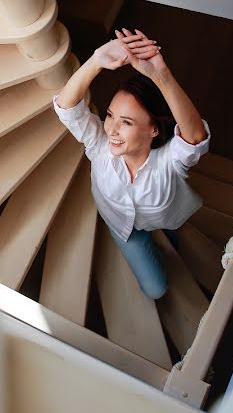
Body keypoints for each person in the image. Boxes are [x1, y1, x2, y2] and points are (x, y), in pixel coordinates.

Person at [53, 29, 209, 299]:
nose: (111, 129)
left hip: (165, 219)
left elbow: (195, 137)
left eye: (126, 122)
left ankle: (166, 236)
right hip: (119, 224)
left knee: (172, 237)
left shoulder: (169, 163)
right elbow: (68, 108)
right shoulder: (100, 147)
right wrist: (96, 60)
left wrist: (162, 76)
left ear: (154, 130)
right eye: (111, 115)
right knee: (156, 289)